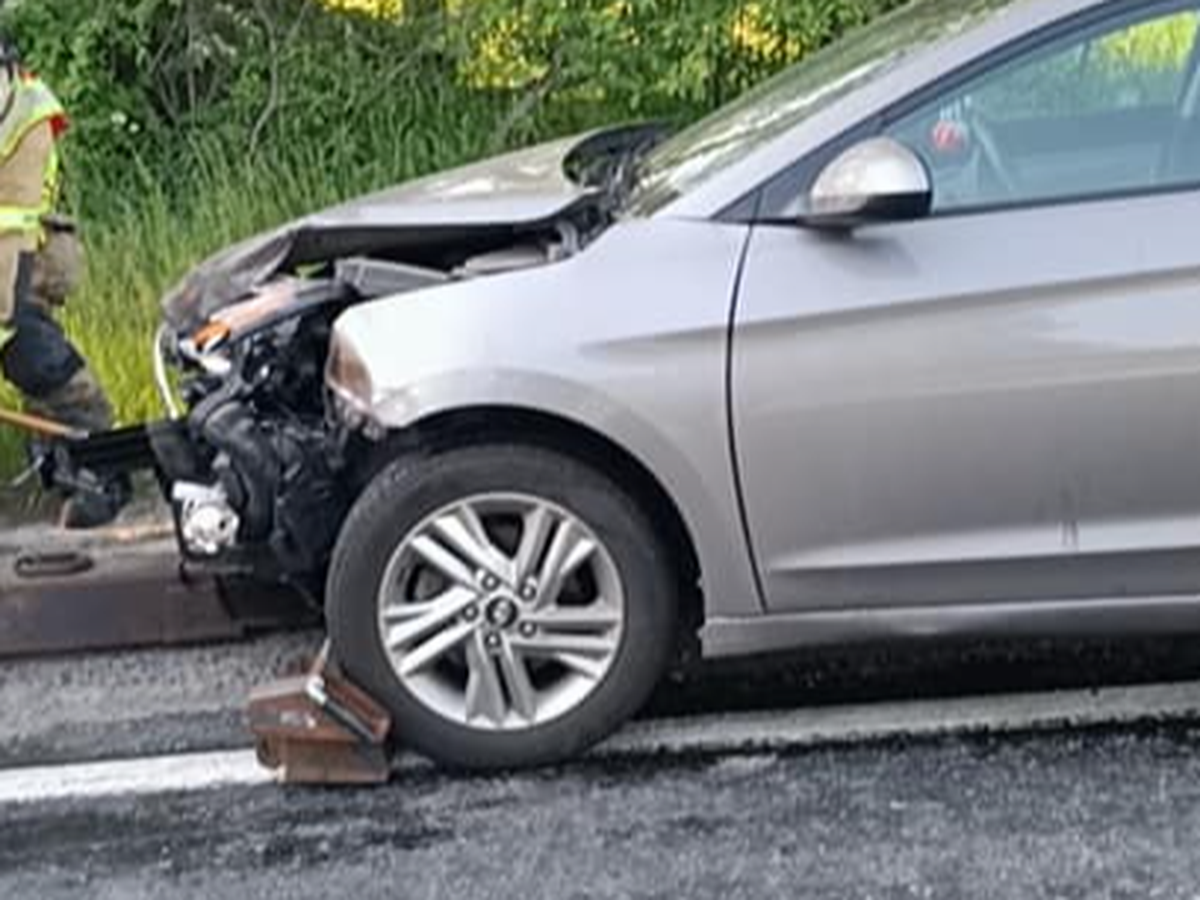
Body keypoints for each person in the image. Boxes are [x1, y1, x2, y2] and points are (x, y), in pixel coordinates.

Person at [0, 38, 126, 528]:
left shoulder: (23, 121)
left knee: (29, 348)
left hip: (22, 251)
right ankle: (59, 470)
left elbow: (9, 240)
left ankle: (101, 465)